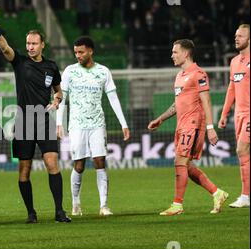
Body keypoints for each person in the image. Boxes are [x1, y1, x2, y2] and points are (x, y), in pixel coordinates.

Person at [0, 16, 71, 223]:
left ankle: (59, 211)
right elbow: (6, 48)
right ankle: (31, 213)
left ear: (43, 44)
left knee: (52, 162)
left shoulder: (51, 67)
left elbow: (58, 92)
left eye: (34, 43)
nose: (30, 47)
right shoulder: (20, 61)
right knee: (24, 168)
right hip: (23, 121)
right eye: (28, 43)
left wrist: (58, 99)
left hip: (44, 120)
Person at [148, 39, 229, 216]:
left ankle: (177, 205)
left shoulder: (198, 74)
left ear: (186, 53)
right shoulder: (180, 76)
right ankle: (217, 192)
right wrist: (160, 119)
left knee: (180, 162)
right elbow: (177, 104)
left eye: (175, 52)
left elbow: (206, 100)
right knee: (188, 166)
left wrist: (210, 127)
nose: (172, 55)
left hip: (193, 125)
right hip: (182, 125)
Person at [56, 36, 130, 217]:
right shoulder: (69, 72)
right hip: (77, 125)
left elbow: (113, 98)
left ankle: (104, 205)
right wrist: (59, 122)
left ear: (90, 51)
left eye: (81, 52)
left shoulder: (103, 72)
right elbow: (61, 98)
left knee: (100, 161)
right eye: (76, 53)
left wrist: (123, 123)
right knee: (79, 164)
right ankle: (75, 203)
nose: (78, 56)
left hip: (97, 123)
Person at [218, 24, 250, 208]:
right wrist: (224, 113)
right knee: (243, 154)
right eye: (235, 35)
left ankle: (245, 197)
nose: (236, 38)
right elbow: (232, 89)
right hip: (239, 114)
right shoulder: (234, 62)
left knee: (241, 149)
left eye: (241, 35)